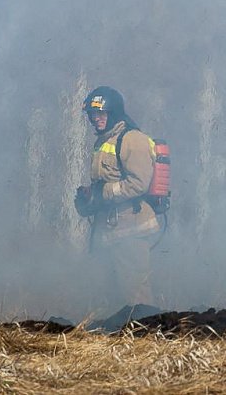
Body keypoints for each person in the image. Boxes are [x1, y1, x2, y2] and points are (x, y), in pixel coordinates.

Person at [75, 86, 160, 308]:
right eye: (92, 115)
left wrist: (101, 194)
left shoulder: (132, 139)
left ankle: (144, 337)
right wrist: (90, 198)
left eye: (101, 114)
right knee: (111, 295)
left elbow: (138, 184)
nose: (96, 119)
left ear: (113, 113)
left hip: (131, 230)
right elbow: (107, 181)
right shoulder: (104, 141)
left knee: (135, 295)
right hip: (111, 230)